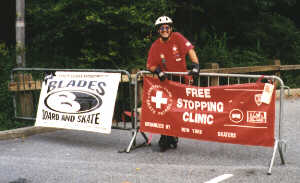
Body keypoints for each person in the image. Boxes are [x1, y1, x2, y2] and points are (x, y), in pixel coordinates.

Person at [146, 15, 200, 152]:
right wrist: (158, 71)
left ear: (170, 28)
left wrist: (195, 65)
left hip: (181, 79)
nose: (165, 30)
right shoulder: (155, 46)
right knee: (166, 108)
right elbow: (150, 65)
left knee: (178, 109)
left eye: (167, 27)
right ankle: (165, 136)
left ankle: (173, 135)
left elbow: (190, 50)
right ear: (158, 30)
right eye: (162, 28)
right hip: (166, 81)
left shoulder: (177, 37)